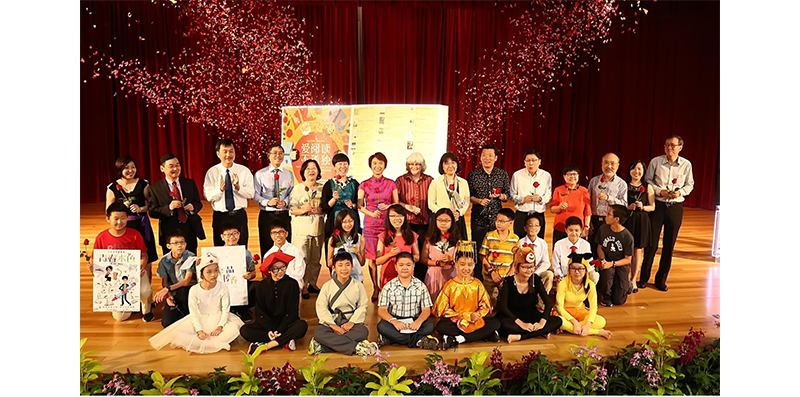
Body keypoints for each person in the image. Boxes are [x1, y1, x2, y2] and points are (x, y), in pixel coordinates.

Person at [148, 252, 245, 354]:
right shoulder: (194, 290)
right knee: (179, 334)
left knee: (234, 329)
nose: (213, 274)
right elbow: (193, 312)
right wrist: (199, 330)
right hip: (200, 318)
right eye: (209, 272)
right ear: (201, 274)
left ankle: (212, 343)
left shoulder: (223, 287)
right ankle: (217, 343)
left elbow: (226, 309)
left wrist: (220, 326)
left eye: (216, 271)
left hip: (218, 316)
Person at [639, 135, 695, 292]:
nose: (669, 148)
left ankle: (661, 280)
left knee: (669, 246)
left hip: (675, 208)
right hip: (657, 206)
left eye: (673, 145)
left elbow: (690, 184)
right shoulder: (656, 162)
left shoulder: (686, 164)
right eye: (667, 145)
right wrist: (660, 191)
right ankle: (643, 278)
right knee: (651, 244)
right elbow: (648, 181)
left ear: (680, 147)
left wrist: (680, 193)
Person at [91, 202, 154, 322]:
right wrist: (94, 268)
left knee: (145, 290)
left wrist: (140, 267)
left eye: (123, 218)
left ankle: (147, 310)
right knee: (121, 318)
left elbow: (144, 256)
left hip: (134, 274)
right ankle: (129, 303)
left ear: (128, 218)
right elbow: (96, 260)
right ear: (108, 219)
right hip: (114, 279)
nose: (119, 222)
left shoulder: (135, 235)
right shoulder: (101, 237)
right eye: (116, 219)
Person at [308, 252, 378, 356]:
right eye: (340, 265)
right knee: (319, 333)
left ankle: (323, 346)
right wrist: (333, 325)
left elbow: (363, 306)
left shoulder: (358, 285)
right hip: (332, 321)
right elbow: (321, 307)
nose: (344, 269)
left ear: (352, 266)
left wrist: (351, 323)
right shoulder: (327, 286)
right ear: (334, 268)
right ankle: (356, 348)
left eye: (347, 264)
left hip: (350, 321)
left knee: (363, 331)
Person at [240, 251, 308, 354]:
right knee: (244, 330)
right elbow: (260, 313)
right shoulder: (261, 286)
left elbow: (292, 312)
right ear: (270, 270)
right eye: (275, 269)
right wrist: (269, 330)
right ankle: (285, 340)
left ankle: (268, 345)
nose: (280, 271)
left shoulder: (292, 284)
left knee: (302, 326)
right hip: (268, 323)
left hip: (287, 323)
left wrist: (280, 329)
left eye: (283, 267)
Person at [432, 248, 501, 350]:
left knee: (495, 323)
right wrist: (465, 316)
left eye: (469, 265)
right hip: (456, 319)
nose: (466, 268)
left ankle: (459, 339)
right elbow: (443, 309)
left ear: (473, 266)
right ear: (456, 265)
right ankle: (483, 335)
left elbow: (485, 305)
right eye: (462, 264)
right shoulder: (450, 285)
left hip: (475, 320)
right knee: (442, 326)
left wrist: (477, 315)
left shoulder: (477, 284)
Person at [376, 252, 440, 350]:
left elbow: (426, 310)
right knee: (382, 326)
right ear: (396, 267)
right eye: (401, 265)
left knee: (429, 326)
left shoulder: (421, 286)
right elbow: (382, 310)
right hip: (395, 320)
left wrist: (418, 322)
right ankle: (418, 341)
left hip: (413, 320)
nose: (404, 268)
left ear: (413, 266)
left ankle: (393, 339)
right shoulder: (388, 286)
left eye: (408, 265)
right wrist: (394, 321)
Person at [105, 155, 159, 270]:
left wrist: (141, 209)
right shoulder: (113, 187)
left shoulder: (143, 184)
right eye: (126, 168)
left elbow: (152, 205)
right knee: (125, 256)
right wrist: (121, 207)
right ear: (120, 169)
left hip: (141, 225)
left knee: (146, 255)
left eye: (133, 167)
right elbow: (108, 210)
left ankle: (146, 286)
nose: (131, 171)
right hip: (122, 226)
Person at [358, 152, 399, 301]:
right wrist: (370, 213)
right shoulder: (364, 184)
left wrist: (387, 206)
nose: (377, 166)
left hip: (387, 224)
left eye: (380, 163)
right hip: (370, 225)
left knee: (388, 256)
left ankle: (387, 286)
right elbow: (359, 205)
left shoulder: (391, 183)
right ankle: (375, 287)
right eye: (375, 163)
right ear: (370, 165)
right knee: (373, 259)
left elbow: (396, 204)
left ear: (385, 165)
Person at [147, 153, 205, 257]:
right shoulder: (155, 188)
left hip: (189, 227)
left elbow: (198, 203)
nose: (175, 168)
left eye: (177, 165)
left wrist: (193, 208)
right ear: (162, 168)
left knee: (191, 259)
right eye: (171, 166)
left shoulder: (189, 183)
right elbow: (152, 211)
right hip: (168, 230)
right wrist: (168, 208)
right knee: (170, 262)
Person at [467, 144, 511, 280]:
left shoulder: (502, 174)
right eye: (484, 155)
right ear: (480, 158)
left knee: (495, 249)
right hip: (478, 219)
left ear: (496, 158)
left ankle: (495, 277)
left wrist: (500, 196)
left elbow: (507, 195)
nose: (487, 158)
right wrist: (479, 201)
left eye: (490, 156)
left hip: (496, 220)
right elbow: (469, 196)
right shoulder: (473, 175)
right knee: (479, 250)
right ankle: (479, 279)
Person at [202, 139, 255, 248]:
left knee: (242, 248)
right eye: (225, 151)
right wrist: (220, 190)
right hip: (220, 216)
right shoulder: (212, 172)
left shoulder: (243, 171)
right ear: (218, 153)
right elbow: (208, 196)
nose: (228, 155)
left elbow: (251, 194)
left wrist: (238, 188)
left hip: (239, 215)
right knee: (220, 248)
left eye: (231, 151)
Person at [496, 259, 562, 343]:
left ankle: (521, 336)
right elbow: (504, 307)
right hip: (512, 316)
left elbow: (548, 303)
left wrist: (542, 322)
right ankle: (540, 332)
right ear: (517, 267)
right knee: (506, 326)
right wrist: (522, 324)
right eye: (525, 267)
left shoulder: (536, 280)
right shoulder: (508, 281)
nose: (529, 270)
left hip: (530, 314)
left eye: (531, 267)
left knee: (558, 321)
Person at [289, 159, 325, 299]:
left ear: (318, 171)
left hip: (318, 229)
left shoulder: (322, 188)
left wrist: (319, 209)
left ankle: (313, 283)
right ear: (303, 172)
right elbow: (292, 210)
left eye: (314, 168)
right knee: (302, 258)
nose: (311, 171)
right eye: (308, 168)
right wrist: (303, 209)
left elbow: (326, 208)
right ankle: (303, 285)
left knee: (315, 258)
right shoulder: (298, 188)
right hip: (301, 230)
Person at [395, 152, 434, 281]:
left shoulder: (429, 180)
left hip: (424, 223)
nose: (414, 167)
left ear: (422, 165)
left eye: (417, 164)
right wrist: (408, 207)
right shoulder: (401, 180)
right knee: (407, 252)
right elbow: (395, 202)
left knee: (423, 253)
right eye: (411, 164)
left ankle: (420, 283)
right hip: (407, 223)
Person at [555, 253, 612, 339]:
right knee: (559, 322)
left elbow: (593, 307)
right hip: (564, 313)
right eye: (573, 268)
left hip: (580, 311)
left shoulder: (590, 284)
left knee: (601, 321)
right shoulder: (563, 283)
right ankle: (598, 332)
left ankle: (573, 329)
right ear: (569, 270)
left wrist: (588, 323)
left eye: (580, 269)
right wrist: (574, 322)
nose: (577, 272)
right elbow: (559, 307)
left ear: (585, 270)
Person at [253, 143, 294, 257]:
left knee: (285, 247)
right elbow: (255, 195)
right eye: (275, 153)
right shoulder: (260, 174)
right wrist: (267, 202)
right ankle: (267, 274)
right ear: (268, 155)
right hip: (267, 215)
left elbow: (292, 192)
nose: (278, 156)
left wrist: (285, 202)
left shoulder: (288, 174)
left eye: (281, 153)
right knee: (266, 245)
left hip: (283, 214)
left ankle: (285, 273)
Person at [152, 229, 196, 328]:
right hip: (174, 292)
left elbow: (187, 281)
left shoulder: (190, 256)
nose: (179, 245)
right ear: (168, 246)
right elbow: (164, 282)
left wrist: (168, 289)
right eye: (175, 243)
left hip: (188, 291)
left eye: (182, 242)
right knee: (167, 323)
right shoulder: (164, 260)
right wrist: (169, 296)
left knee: (183, 291)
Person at [623, 159, 655, 293]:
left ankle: (633, 280)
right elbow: (619, 203)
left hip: (641, 220)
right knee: (625, 250)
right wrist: (627, 207)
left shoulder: (648, 186)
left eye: (639, 169)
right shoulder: (623, 185)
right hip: (627, 220)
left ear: (644, 171)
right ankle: (624, 279)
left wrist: (643, 207)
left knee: (637, 250)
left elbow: (653, 207)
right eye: (634, 168)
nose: (636, 171)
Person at [587, 153, 628, 258]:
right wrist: (588, 221)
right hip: (594, 220)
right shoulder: (594, 181)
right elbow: (587, 202)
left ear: (618, 165)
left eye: (612, 163)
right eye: (606, 163)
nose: (609, 166)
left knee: (607, 250)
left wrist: (609, 198)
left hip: (610, 222)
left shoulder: (621, 184)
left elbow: (624, 205)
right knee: (593, 249)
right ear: (601, 164)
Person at [479, 208, 520, 308]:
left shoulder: (515, 239)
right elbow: (483, 256)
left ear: (510, 223)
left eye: (502, 221)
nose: (498, 223)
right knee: (489, 304)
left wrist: (511, 272)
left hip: (506, 278)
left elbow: (517, 258)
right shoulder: (489, 236)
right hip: (490, 278)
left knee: (506, 304)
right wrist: (491, 271)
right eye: (497, 220)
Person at [595, 205, 634, 307]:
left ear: (617, 219)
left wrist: (612, 264)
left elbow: (628, 259)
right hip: (607, 260)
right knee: (607, 275)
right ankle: (606, 295)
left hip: (620, 263)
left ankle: (626, 285)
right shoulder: (603, 229)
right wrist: (603, 260)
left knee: (619, 300)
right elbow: (600, 247)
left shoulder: (627, 237)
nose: (606, 216)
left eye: (609, 214)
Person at [375, 204, 420, 291]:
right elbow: (378, 261)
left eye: (400, 215)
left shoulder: (411, 235)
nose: (397, 218)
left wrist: (406, 258)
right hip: (388, 277)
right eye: (393, 216)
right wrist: (390, 254)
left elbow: (417, 256)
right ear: (388, 218)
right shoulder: (383, 236)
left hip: (406, 276)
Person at [321, 152, 361, 250]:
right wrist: (333, 199)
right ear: (334, 167)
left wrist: (352, 205)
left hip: (351, 222)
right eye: (340, 164)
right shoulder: (329, 184)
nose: (343, 166)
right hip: (334, 222)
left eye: (345, 164)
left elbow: (360, 205)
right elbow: (324, 208)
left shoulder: (354, 183)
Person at [510, 149, 552, 240]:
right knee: (519, 241)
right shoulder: (517, 175)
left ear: (539, 161)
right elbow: (512, 195)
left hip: (538, 214)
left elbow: (548, 195)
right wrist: (522, 199)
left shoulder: (546, 176)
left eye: (534, 160)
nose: (531, 163)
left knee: (538, 242)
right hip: (522, 213)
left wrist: (541, 199)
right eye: (528, 161)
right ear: (524, 162)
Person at [219, 222, 257, 321]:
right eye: (228, 234)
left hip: (241, 286)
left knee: (257, 287)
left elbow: (253, 272)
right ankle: (229, 309)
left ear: (239, 235)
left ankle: (242, 309)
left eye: (235, 233)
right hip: (224, 286)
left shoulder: (246, 253)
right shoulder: (217, 254)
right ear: (222, 237)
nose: (232, 237)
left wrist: (250, 275)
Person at [428, 152, 470, 241]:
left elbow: (466, 202)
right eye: (447, 163)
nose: (450, 166)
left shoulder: (463, 182)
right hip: (441, 221)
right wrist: (444, 212)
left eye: (453, 163)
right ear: (442, 166)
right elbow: (431, 204)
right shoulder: (435, 182)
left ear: (457, 165)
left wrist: (459, 212)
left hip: (457, 220)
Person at [420, 208, 461, 302]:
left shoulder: (457, 240)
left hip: (451, 274)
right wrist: (436, 262)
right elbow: (423, 259)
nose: (443, 223)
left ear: (452, 222)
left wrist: (451, 259)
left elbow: (461, 260)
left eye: (446, 220)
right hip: (434, 275)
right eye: (440, 220)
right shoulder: (429, 239)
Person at [549, 164, 591, 247]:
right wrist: (559, 207)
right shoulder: (558, 190)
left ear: (578, 176)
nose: (572, 176)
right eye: (569, 174)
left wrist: (586, 227)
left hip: (577, 229)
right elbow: (552, 209)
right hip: (561, 227)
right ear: (564, 177)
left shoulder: (584, 191)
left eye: (574, 174)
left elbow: (588, 212)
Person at [513, 214, 554, 295]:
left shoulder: (543, 243)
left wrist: (535, 273)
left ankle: (541, 302)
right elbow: (516, 262)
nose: (533, 228)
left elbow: (546, 262)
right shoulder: (519, 243)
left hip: (536, 272)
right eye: (530, 226)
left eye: (536, 226)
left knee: (549, 275)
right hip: (522, 272)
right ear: (525, 228)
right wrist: (525, 271)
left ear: (539, 228)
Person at [552, 216, 599, 286]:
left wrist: (580, 276)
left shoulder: (586, 244)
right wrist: (561, 278)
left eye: (576, 230)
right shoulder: (559, 244)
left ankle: (587, 295)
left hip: (581, 275)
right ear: (566, 230)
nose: (574, 233)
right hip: (565, 276)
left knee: (594, 275)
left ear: (581, 230)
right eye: (571, 230)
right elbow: (556, 266)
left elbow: (589, 264)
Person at [262, 220, 306, 290]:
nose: (277, 235)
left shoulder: (295, 251)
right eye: (274, 233)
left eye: (281, 232)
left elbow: (300, 272)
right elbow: (267, 274)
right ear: (271, 235)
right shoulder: (268, 254)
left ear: (286, 234)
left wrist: (286, 281)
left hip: (292, 282)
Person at [327, 210, 365, 282]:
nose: (348, 224)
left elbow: (362, 263)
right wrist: (339, 257)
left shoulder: (360, 238)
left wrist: (358, 253)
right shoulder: (333, 239)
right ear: (339, 223)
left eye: (350, 221)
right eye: (344, 222)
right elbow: (329, 263)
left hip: (356, 275)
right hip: (339, 276)